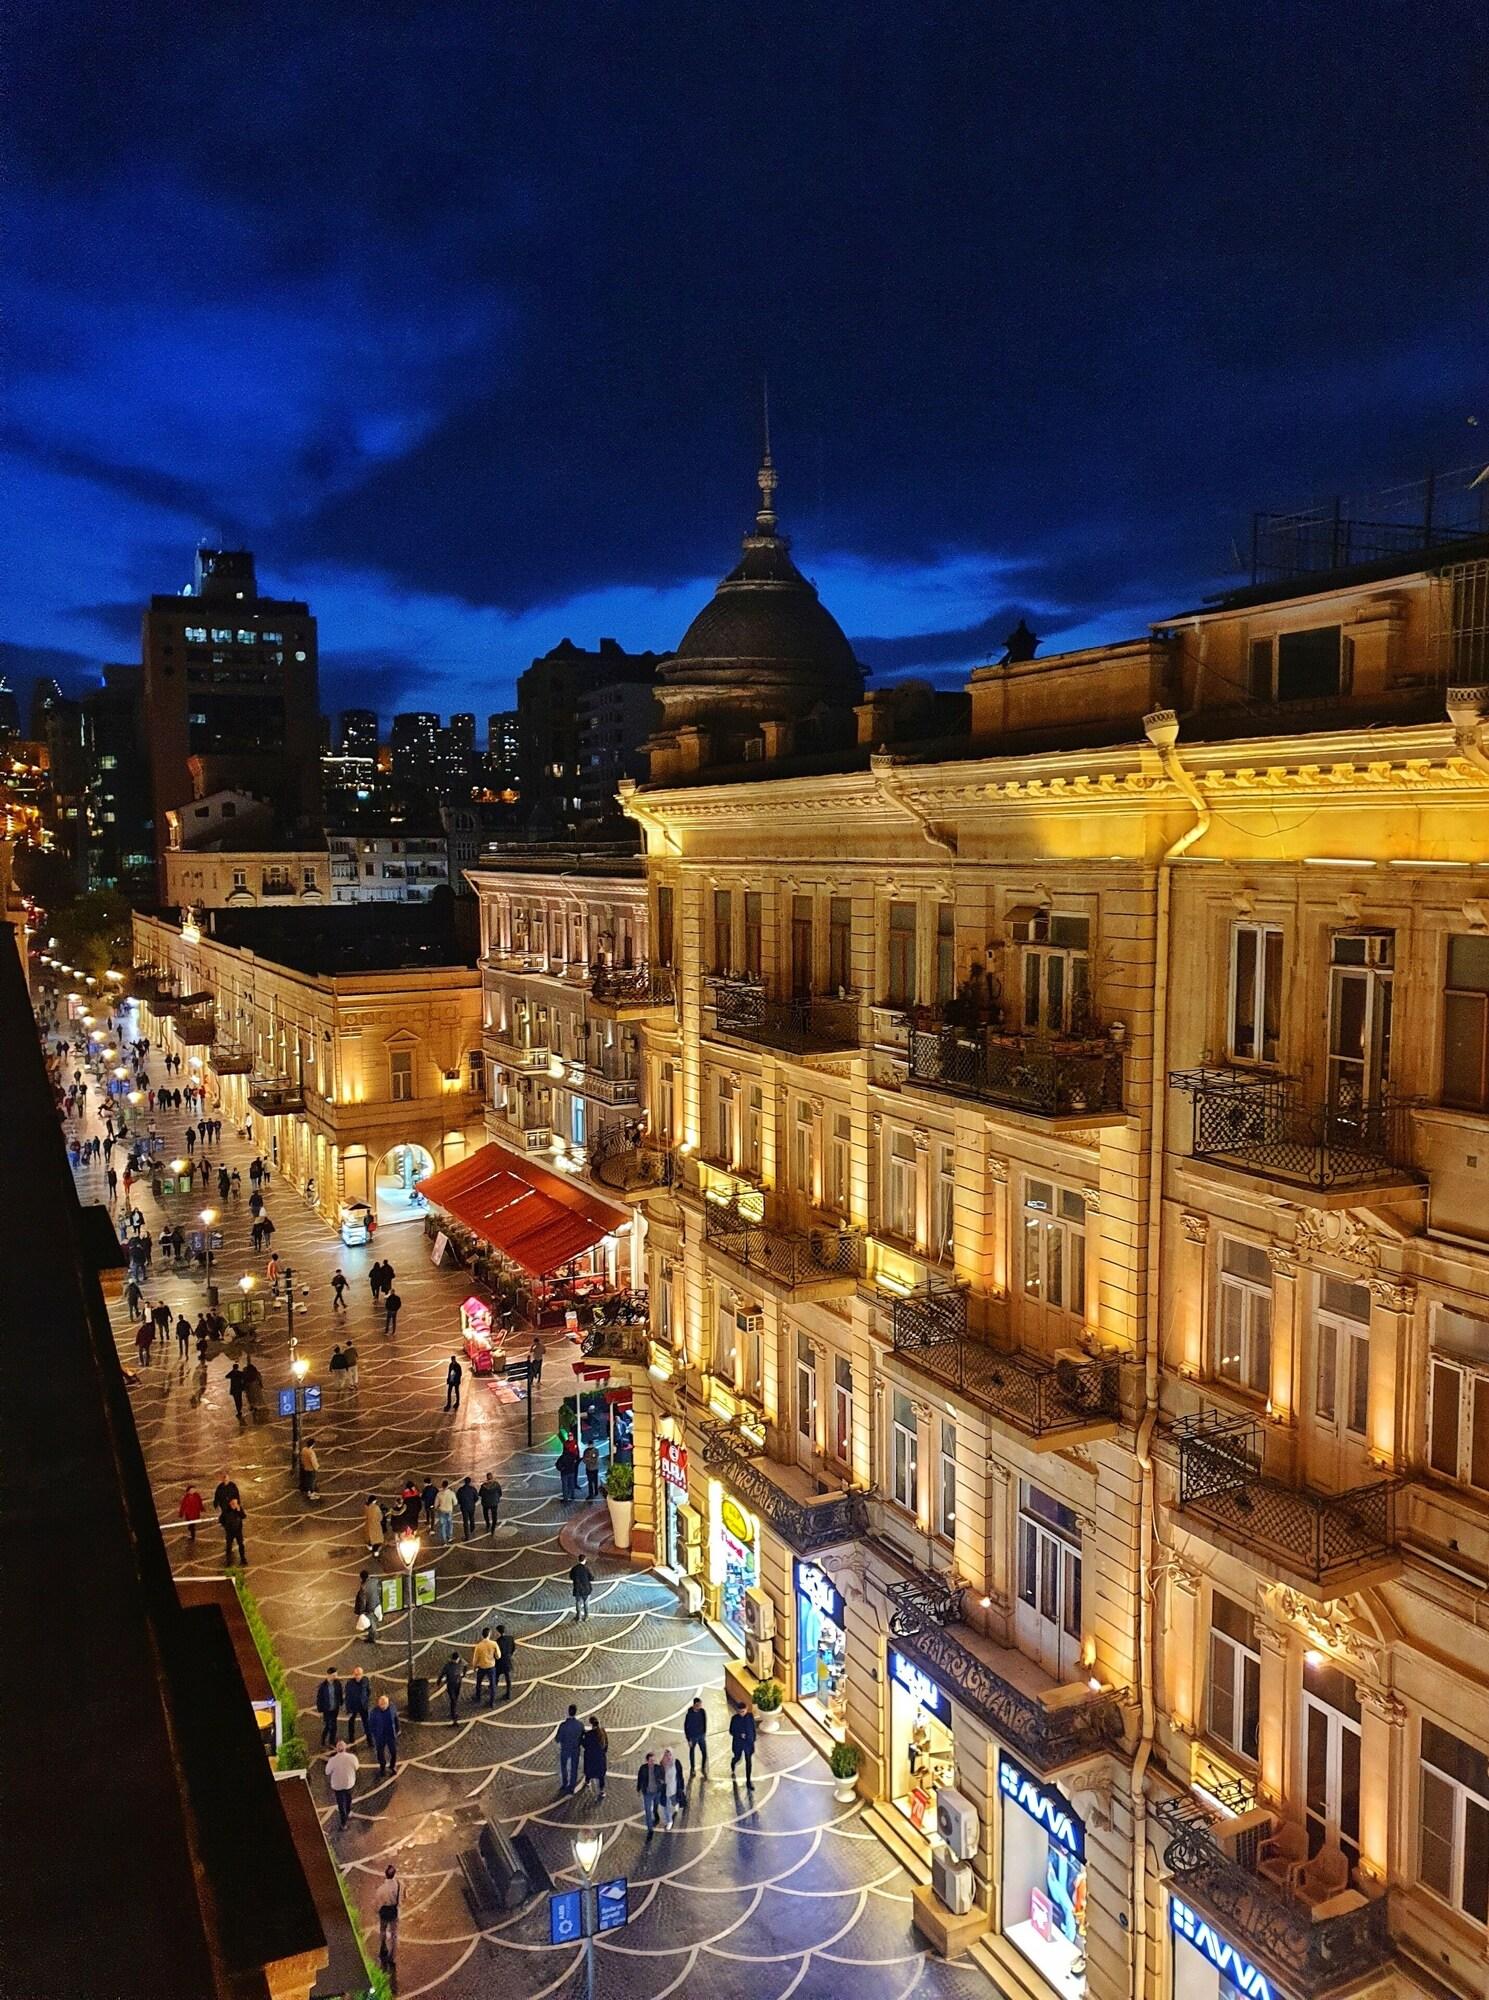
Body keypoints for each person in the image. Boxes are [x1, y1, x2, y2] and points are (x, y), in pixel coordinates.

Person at [637, 1751, 673, 1836]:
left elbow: (663, 1777)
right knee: (648, 1811)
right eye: (650, 1760)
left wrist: (662, 1782)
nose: (652, 1762)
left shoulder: (658, 1768)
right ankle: (650, 1829)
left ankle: (656, 1814)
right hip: (647, 1794)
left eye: (653, 1760)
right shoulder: (643, 1768)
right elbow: (640, 1779)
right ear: (647, 1760)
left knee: (656, 1806)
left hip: (657, 1792)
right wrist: (638, 1789)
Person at [325, 1739, 358, 1831]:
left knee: (341, 1803)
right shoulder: (352, 1757)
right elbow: (356, 1767)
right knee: (348, 1799)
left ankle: (343, 1823)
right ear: (345, 1748)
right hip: (349, 1783)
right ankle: (348, 1812)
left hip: (337, 1785)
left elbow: (327, 1772)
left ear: (336, 1749)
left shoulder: (333, 1760)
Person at [377, 1863, 402, 1971]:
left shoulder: (382, 1888)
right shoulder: (399, 1885)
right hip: (393, 1911)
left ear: (385, 1875)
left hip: (384, 1911)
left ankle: (383, 1947)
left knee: (383, 1930)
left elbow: (378, 1900)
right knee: (394, 1934)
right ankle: (392, 1956)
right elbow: (402, 1898)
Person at [368, 1694, 399, 1777]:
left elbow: (396, 1718)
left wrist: (397, 1730)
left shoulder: (392, 1708)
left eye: (384, 1704)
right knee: (380, 1753)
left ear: (388, 1703)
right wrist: (375, 1734)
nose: (383, 1706)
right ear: (378, 1704)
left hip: (390, 1735)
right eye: (381, 1704)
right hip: (380, 1736)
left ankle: (392, 1766)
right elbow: (371, 1725)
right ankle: (382, 1767)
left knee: (393, 1752)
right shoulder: (374, 1712)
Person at [555, 1704, 584, 1793]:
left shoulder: (563, 1725)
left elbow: (557, 1739)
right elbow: (582, 1737)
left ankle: (565, 1783)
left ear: (568, 1712)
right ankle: (572, 1786)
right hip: (575, 1749)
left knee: (563, 1766)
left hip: (565, 1749)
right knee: (574, 1768)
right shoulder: (580, 1725)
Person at [729, 1701, 757, 1789]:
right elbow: (731, 1731)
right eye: (740, 1712)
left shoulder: (750, 1716)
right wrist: (740, 1734)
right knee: (737, 1757)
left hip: (748, 1743)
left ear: (746, 1709)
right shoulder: (734, 1719)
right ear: (737, 1711)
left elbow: (753, 1728)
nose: (742, 1713)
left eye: (743, 1711)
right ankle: (733, 1762)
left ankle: (748, 1781)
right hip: (739, 1743)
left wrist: (754, 1739)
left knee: (748, 1762)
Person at [315, 1669, 345, 1748]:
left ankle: (332, 1741)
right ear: (329, 1675)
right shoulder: (323, 1687)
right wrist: (320, 1710)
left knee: (334, 1725)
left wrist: (341, 1702)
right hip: (327, 1710)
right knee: (328, 1726)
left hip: (335, 1708)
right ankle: (323, 1740)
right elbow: (319, 1699)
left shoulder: (337, 1683)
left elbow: (340, 1693)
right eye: (334, 1675)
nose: (336, 1677)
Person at [580, 1717, 609, 1798]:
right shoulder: (603, 1732)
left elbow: (585, 1745)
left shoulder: (589, 1734)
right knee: (601, 1775)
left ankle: (587, 1781)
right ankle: (602, 1791)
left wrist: (581, 1737)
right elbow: (606, 1745)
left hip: (591, 1757)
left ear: (591, 1724)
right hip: (600, 1757)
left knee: (589, 1770)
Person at [343, 1665, 371, 1743]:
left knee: (366, 1723)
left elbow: (368, 1691)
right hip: (353, 1707)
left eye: (359, 1674)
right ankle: (351, 1739)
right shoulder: (349, 1684)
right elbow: (347, 1698)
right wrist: (349, 1710)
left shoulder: (365, 1680)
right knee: (351, 1723)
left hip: (363, 1706)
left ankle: (370, 1740)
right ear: (353, 1674)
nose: (358, 1676)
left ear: (362, 1674)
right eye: (356, 1674)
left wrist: (366, 1701)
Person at [471, 1627, 499, 1706]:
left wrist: (474, 1667)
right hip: (491, 1667)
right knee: (492, 1684)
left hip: (482, 1667)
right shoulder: (494, 1644)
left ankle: (478, 1697)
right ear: (489, 1634)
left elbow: (475, 1658)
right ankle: (492, 1702)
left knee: (478, 1683)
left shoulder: (479, 1646)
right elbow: (498, 1656)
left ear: (482, 1635)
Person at [354, 1569, 380, 1645]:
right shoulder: (374, 1581)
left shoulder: (363, 1587)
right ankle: (373, 1634)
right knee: (374, 1619)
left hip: (369, 1607)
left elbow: (362, 1600)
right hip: (376, 1603)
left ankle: (372, 1637)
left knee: (371, 1622)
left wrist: (361, 1611)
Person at [684, 1696, 709, 1778]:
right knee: (692, 1752)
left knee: (704, 1752)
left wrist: (704, 1733)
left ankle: (703, 1767)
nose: (700, 1706)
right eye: (698, 1705)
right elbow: (686, 1727)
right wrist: (688, 1739)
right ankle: (692, 1768)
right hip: (693, 1737)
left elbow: (705, 1722)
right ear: (694, 1705)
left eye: (700, 1705)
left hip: (701, 1736)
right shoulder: (689, 1715)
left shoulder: (702, 1712)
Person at [220, 1493, 247, 1565]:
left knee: (241, 1545)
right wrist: (226, 1527)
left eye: (236, 1503)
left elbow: (243, 1516)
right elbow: (221, 1519)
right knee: (229, 1546)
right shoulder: (226, 1510)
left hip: (238, 1531)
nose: (235, 1504)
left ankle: (243, 1558)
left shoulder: (239, 1509)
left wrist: (239, 1511)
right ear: (230, 1503)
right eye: (234, 1503)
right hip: (229, 1532)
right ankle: (228, 1560)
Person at [439, 1650, 464, 1725]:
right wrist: (463, 1675)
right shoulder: (458, 1663)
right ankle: (454, 1715)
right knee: (453, 1699)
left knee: (454, 1699)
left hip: (453, 1684)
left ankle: (453, 1712)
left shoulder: (448, 1665)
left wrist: (439, 1681)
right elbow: (466, 1665)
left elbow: (442, 1674)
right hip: (455, 1684)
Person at [494, 1624, 515, 1699]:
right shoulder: (510, 1638)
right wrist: (509, 1655)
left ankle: (493, 1689)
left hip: (499, 1662)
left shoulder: (497, 1642)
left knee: (496, 1677)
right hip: (507, 1660)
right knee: (508, 1678)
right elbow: (513, 1648)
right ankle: (508, 1694)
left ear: (498, 1632)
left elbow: (496, 1654)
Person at [456, 1475, 479, 1539]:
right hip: (471, 1506)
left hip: (464, 1507)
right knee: (472, 1518)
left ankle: (467, 1536)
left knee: (465, 1521)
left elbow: (458, 1498)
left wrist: (461, 1503)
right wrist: (473, 1502)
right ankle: (472, 1529)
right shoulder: (473, 1489)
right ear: (470, 1482)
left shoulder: (460, 1490)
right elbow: (476, 1498)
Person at [433, 1480, 457, 1544]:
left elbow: (435, 1504)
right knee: (450, 1524)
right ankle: (450, 1537)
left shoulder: (439, 1494)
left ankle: (444, 1540)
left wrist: (436, 1508)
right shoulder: (451, 1493)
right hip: (449, 1511)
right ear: (448, 1485)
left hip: (442, 1511)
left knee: (443, 1526)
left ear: (442, 1486)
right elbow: (455, 1503)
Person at [300, 1437, 321, 1502]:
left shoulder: (304, 1450)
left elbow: (302, 1458)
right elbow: (313, 1462)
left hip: (306, 1467)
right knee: (311, 1481)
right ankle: (312, 1494)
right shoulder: (311, 1452)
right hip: (311, 1469)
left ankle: (309, 1492)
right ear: (313, 1444)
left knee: (308, 1480)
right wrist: (316, 1468)